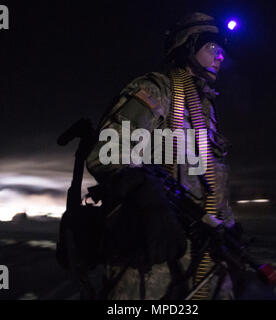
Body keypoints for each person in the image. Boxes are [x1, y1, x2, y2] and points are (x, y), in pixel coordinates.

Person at [84, 12, 236, 300]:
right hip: (153, 257)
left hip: (203, 254)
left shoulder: (205, 110)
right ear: (187, 46)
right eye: (212, 48)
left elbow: (210, 181)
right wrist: (150, 197)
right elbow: (105, 156)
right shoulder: (156, 91)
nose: (221, 57)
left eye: (223, 51)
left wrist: (227, 224)